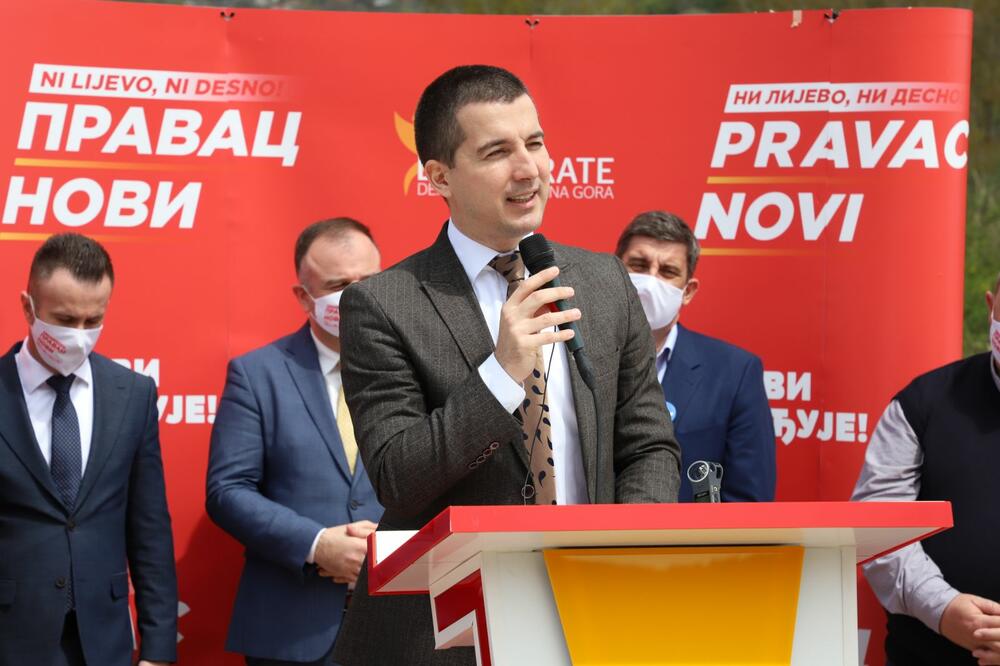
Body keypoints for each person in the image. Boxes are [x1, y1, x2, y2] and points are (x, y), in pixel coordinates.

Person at [332, 65, 680, 665]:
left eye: (535, 143)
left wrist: (623, 553)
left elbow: (648, 445)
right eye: (497, 152)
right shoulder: (383, 304)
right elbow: (398, 477)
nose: (529, 169)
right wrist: (500, 374)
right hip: (443, 632)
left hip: (588, 618)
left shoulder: (603, 281)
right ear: (439, 176)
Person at [206, 218, 384, 666]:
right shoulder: (256, 375)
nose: (357, 296)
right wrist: (316, 543)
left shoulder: (417, 372)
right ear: (304, 297)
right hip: (291, 631)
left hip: (396, 624)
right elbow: (227, 490)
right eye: (339, 285)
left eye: (368, 281)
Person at [0, 233, 177, 666]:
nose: (78, 336)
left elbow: (150, 529)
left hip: (104, 640)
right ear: (28, 307)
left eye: (92, 320)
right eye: (64, 319)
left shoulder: (133, 394)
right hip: (11, 638)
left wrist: (158, 649)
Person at [852, 273, 1000, 665]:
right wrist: (943, 609)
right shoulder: (923, 402)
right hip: (926, 653)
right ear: (991, 307)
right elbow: (879, 524)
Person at [615, 211, 775, 501]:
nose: (650, 282)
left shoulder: (734, 372)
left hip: (685, 532)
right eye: (638, 266)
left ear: (688, 291)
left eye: (667, 271)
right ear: (614, 272)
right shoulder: (569, 355)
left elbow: (748, 501)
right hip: (585, 530)